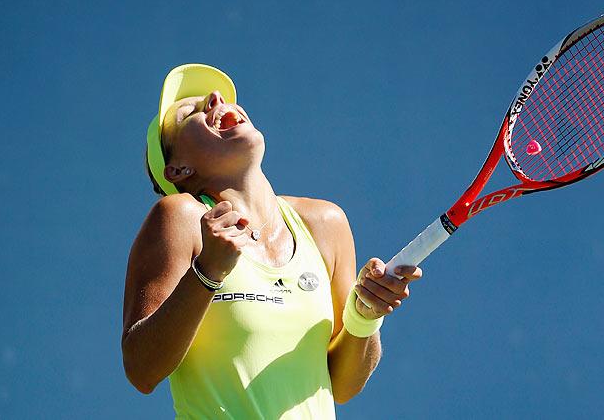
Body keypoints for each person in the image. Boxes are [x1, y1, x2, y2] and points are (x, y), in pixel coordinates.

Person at [122, 64, 422, 419]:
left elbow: (343, 386)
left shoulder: (327, 223)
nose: (215, 100)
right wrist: (208, 272)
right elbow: (142, 369)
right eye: (190, 112)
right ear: (179, 169)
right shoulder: (179, 217)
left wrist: (364, 318)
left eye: (213, 98)